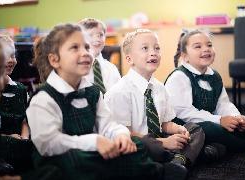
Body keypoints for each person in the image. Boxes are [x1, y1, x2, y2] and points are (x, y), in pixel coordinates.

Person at [27, 23, 162, 180]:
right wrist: (94, 141)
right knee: (76, 162)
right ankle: (152, 170)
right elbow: (49, 144)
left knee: (135, 144)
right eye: (75, 48)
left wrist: (121, 135)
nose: (85, 53)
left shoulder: (92, 91)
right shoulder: (43, 97)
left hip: (93, 151)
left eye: (86, 47)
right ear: (55, 60)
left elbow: (108, 125)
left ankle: (150, 170)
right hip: (62, 158)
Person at [105, 29, 205, 180]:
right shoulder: (120, 92)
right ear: (130, 59)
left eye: (156, 48)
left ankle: (177, 161)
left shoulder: (159, 88)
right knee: (144, 146)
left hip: (158, 139)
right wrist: (164, 142)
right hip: (136, 142)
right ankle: (187, 156)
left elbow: (164, 124)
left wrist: (178, 129)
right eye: (145, 48)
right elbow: (124, 134)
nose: (153, 53)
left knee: (195, 129)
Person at [165, 29, 245, 153]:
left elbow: (223, 104)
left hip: (210, 120)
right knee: (210, 129)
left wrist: (236, 118)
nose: (206, 49)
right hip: (185, 126)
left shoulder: (214, 76)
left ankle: (215, 146)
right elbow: (184, 112)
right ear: (185, 56)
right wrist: (219, 120)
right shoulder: (179, 76)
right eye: (198, 46)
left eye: (209, 45)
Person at [0, 34, 32, 174]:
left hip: (19, 154)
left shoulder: (20, 89)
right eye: (6, 56)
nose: (11, 60)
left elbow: (25, 120)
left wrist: (24, 139)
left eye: (13, 55)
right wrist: (8, 139)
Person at [79, 18, 121, 94]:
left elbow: (119, 96)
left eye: (100, 35)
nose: (97, 39)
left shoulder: (112, 69)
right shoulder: (74, 70)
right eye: (90, 35)